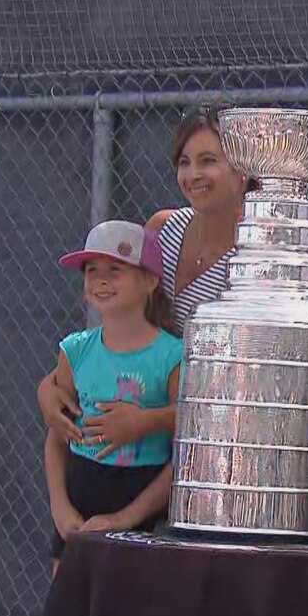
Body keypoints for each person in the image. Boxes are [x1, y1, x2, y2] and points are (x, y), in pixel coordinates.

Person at [37, 105, 250, 446]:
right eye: (184, 162)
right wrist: (50, 386)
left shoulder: (257, 257)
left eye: (208, 160)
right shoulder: (162, 228)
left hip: (214, 445)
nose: (193, 174)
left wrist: (149, 421)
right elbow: (122, 327)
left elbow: (243, 394)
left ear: (243, 170)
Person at [44, 220, 182, 576]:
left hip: (144, 505)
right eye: (92, 271)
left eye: (115, 270)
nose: (101, 280)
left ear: (150, 280)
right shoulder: (74, 350)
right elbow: (57, 438)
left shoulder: (173, 356)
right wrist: (60, 509)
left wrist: (124, 518)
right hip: (80, 501)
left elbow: (184, 450)